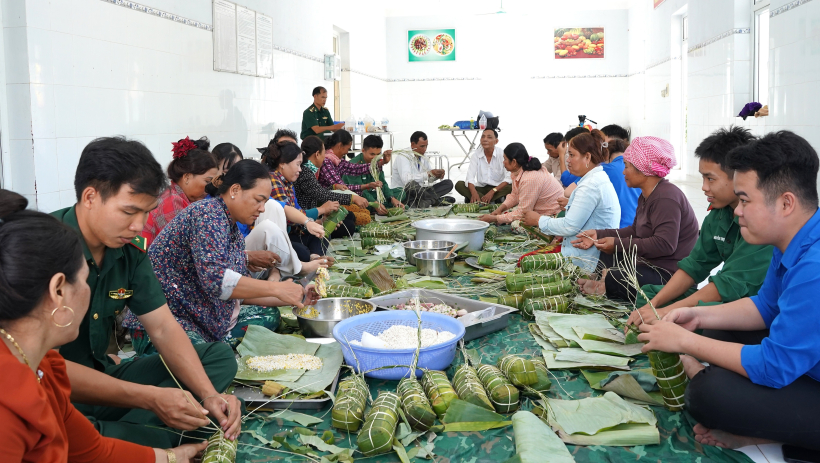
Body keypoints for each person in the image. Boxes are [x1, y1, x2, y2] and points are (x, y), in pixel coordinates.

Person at [51, 137, 241, 448]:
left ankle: (131, 435)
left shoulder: (129, 252)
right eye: (129, 211)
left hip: (103, 382)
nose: (140, 226)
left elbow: (164, 328)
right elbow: (45, 368)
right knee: (193, 431)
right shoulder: (44, 250)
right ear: (90, 197)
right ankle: (127, 437)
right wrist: (151, 399)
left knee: (217, 357)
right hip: (54, 392)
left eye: (146, 212)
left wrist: (209, 394)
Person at [638, 131, 820, 451]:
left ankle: (778, 435)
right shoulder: (790, 241)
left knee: (710, 396)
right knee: (715, 330)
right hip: (806, 365)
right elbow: (765, 307)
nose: (737, 211)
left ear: (786, 203)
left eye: (745, 200)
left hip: (802, 373)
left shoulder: (814, 268)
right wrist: (695, 315)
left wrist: (686, 341)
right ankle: (770, 430)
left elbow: (774, 365)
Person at [0, 190, 207, 463]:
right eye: (84, 281)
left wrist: (172, 457)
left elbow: (92, 450)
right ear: (58, 291)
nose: (138, 224)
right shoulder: (8, 413)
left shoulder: (44, 367)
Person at [123, 160, 313, 351]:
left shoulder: (232, 230)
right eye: (258, 200)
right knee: (207, 358)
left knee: (269, 315)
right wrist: (276, 290)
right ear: (235, 190)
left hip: (199, 317)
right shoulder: (208, 215)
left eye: (264, 202)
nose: (263, 208)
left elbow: (239, 293)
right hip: (164, 323)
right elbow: (217, 280)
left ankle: (214, 347)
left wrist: (297, 295)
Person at [627, 127, 774, 324]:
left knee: (700, 315)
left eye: (710, 178)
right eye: (702, 178)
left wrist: (668, 311)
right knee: (651, 295)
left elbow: (727, 285)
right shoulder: (719, 214)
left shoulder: (762, 222)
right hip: (730, 292)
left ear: (740, 176)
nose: (704, 187)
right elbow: (695, 265)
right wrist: (653, 305)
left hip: (754, 304)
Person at [572, 136, 699, 302]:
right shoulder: (647, 194)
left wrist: (616, 243)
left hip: (670, 274)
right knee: (607, 253)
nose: (623, 172)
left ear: (643, 169)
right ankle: (601, 282)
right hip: (651, 264)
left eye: (626, 166)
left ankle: (604, 285)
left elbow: (665, 245)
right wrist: (599, 234)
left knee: (616, 275)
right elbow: (635, 231)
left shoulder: (666, 197)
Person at [523, 130, 620, 273]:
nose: (567, 159)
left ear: (587, 157)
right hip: (589, 253)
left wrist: (538, 220)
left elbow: (570, 227)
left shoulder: (590, 185)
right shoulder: (593, 179)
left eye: (572, 155)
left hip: (588, 260)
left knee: (525, 264)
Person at [142, 137, 217, 246]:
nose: (210, 188)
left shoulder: (181, 198)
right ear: (187, 177)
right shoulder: (172, 203)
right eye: (207, 181)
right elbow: (183, 250)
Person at [269, 141, 335, 260]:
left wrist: (319, 223)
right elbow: (289, 217)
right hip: (280, 237)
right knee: (302, 252)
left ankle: (315, 256)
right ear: (283, 163)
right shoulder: (273, 181)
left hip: (294, 231)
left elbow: (298, 211)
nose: (300, 169)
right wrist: (320, 210)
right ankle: (311, 257)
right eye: (298, 164)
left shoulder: (288, 183)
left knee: (323, 233)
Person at [478, 143, 563, 225]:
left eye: (505, 159)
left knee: (516, 224)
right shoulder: (517, 171)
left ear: (514, 162)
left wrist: (495, 218)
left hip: (553, 214)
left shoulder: (529, 178)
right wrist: (500, 209)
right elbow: (514, 195)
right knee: (505, 214)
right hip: (537, 209)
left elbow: (523, 212)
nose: (503, 162)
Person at [300, 136, 359, 238]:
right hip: (306, 218)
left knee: (350, 216)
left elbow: (317, 191)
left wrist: (333, 187)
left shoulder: (308, 169)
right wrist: (352, 198)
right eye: (324, 153)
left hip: (314, 214)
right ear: (317, 154)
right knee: (349, 226)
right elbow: (322, 195)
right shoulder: (305, 172)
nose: (325, 157)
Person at [343, 135, 405, 215]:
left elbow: (383, 183)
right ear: (363, 150)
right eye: (372, 154)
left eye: (378, 154)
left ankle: (384, 206)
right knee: (360, 204)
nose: (375, 158)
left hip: (373, 195)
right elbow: (361, 190)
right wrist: (375, 203)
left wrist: (392, 198)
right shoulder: (354, 165)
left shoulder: (377, 163)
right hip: (358, 196)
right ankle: (380, 207)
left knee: (401, 192)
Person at [392, 131, 454, 208]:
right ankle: (434, 201)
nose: (425, 149)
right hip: (404, 192)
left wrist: (436, 175)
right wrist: (428, 174)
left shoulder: (423, 156)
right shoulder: (403, 156)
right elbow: (406, 180)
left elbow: (429, 179)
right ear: (413, 144)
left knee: (448, 183)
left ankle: (426, 201)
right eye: (422, 146)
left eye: (426, 146)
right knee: (412, 184)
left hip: (420, 192)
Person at [318, 129, 383, 195]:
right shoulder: (326, 162)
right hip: (327, 201)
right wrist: (366, 186)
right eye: (348, 149)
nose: (347, 152)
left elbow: (356, 169)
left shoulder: (338, 161)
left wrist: (381, 163)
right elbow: (341, 188)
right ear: (339, 146)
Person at [456, 129, 512, 204]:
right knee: (459, 185)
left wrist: (492, 191)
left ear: (496, 141)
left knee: (512, 186)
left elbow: (509, 178)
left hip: (497, 189)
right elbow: (470, 178)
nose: (485, 139)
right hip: (481, 188)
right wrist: (474, 192)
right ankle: (488, 199)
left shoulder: (502, 154)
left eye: (489, 137)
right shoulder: (476, 155)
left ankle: (479, 200)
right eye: (483, 137)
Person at [601, 138, 641, 228]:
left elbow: (567, 181)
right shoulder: (639, 169)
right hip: (639, 224)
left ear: (607, 153)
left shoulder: (604, 169)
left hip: (618, 226)